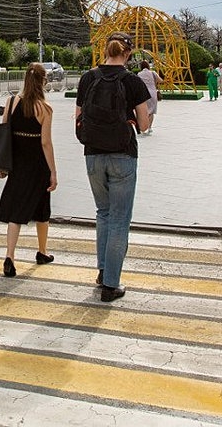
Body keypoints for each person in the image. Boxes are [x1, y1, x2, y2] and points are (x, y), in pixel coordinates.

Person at [76, 33, 151, 303]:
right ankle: (111, 284)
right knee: (120, 218)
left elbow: (78, 118)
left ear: (105, 50)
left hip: (92, 155)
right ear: (128, 54)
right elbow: (143, 125)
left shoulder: (88, 78)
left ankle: (103, 270)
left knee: (103, 213)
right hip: (123, 156)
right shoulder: (132, 81)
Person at [0, 63, 58, 278]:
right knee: (42, 210)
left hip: (17, 164)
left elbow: (4, 134)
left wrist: (2, 165)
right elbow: (46, 143)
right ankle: (42, 251)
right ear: (42, 82)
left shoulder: (11, 102)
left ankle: (9, 257)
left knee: (16, 212)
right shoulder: (45, 108)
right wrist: (53, 172)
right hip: (38, 166)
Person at [136, 60, 163, 134]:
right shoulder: (153, 73)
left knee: (143, 111)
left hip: (143, 93)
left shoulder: (139, 74)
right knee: (151, 111)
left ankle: (142, 127)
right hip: (152, 93)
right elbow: (161, 80)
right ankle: (149, 127)